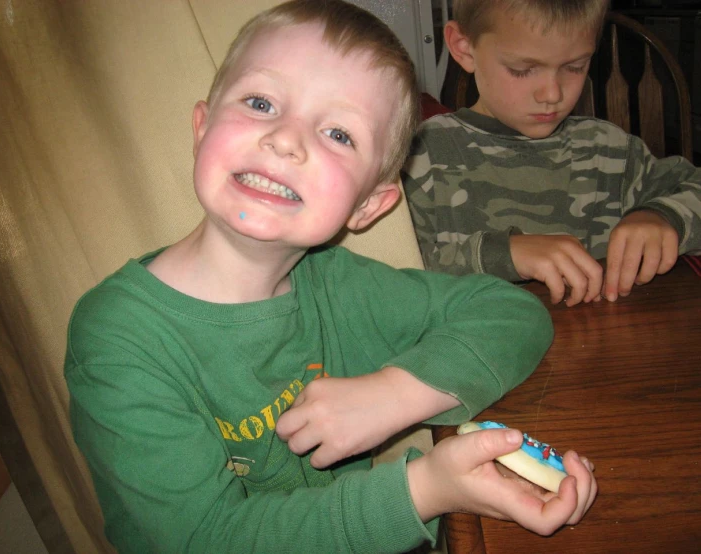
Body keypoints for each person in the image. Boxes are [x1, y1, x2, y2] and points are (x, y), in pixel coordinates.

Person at [64, 1, 596, 552]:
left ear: (368, 206)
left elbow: (512, 312)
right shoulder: (117, 338)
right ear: (202, 129)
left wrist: (396, 395)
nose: (286, 139)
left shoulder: (336, 283)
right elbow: (204, 540)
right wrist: (424, 491)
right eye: (261, 102)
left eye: (338, 134)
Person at [402, 0, 701, 307]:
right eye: (523, 69)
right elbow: (383, 273)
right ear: (464, 48)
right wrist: (504, 254)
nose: (552, 94)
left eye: (575, 67)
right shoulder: (419, 157)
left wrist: (663, 217)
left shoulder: (613, 152)